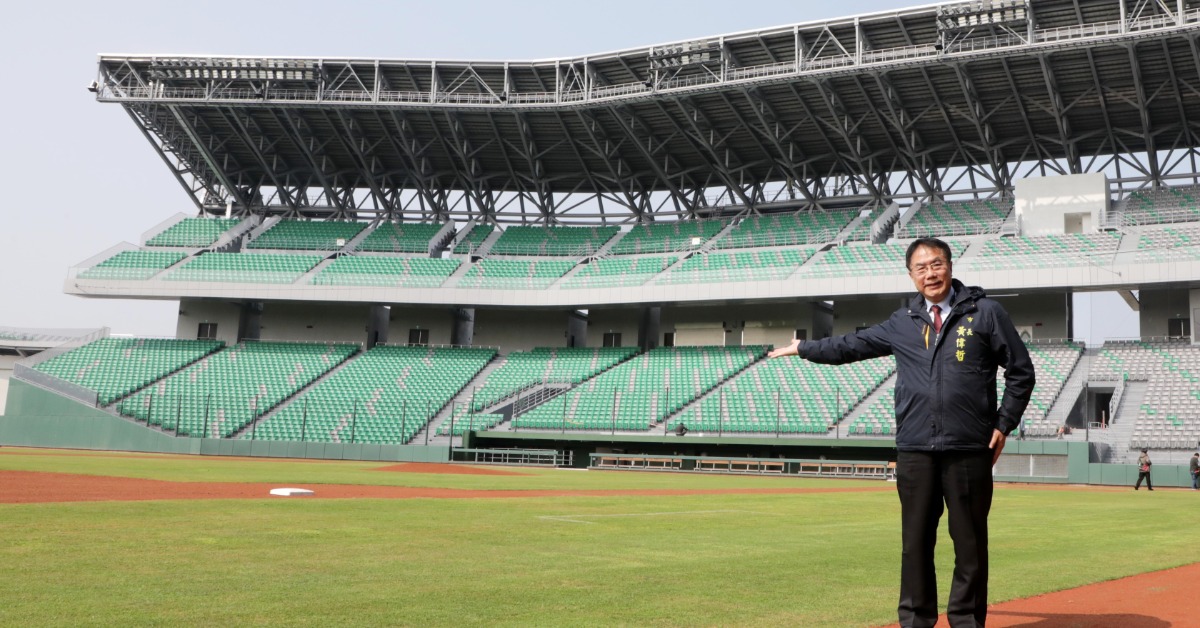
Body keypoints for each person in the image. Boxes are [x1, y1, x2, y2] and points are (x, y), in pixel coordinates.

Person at [768, 236, 1035, 628]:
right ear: (911, 276)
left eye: (937, 264)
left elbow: (1020, 372)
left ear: (950, 265)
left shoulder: (986, 313)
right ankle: (915, 621)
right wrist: (805, 347)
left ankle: (965, 622)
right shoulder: (902, 322)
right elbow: (849, 346)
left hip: (968, 449)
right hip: (915, 451)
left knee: (971, 546)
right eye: (922, 268)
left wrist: (1003, 423)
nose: (931, 273)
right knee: (915, 546)